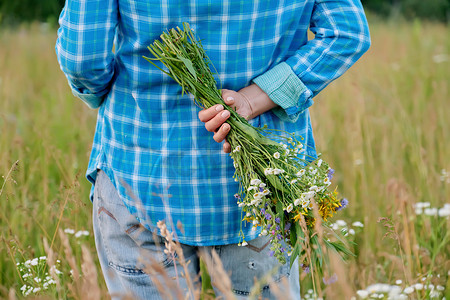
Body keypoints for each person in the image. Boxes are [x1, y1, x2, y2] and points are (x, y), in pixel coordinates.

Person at [56, 0, 370, 299]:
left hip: (138, 172)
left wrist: (101, 99)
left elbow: (83, 59)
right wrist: (253, 98)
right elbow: (346, 34)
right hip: (261, 188)